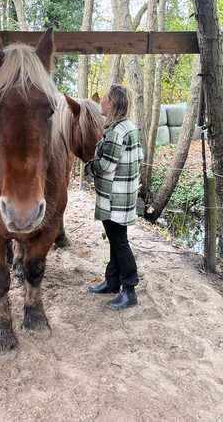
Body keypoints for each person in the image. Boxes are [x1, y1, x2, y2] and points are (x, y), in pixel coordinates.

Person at [85, 84, 143, 310]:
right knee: (116, 239)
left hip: (114, 197)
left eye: (105, 98)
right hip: (124, 194)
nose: (101, 101)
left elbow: (106, 165)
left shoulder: (116, 131)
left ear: (113, 103)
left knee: (119, 242)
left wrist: (89, 167)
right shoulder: (128, 126)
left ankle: (129, 289)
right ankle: (112, 281)